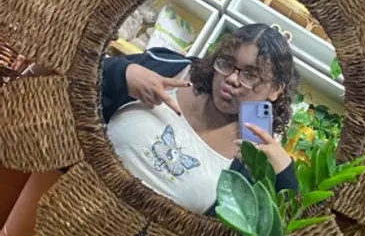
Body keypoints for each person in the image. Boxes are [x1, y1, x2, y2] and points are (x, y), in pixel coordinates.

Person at [102, 23, 300, 216]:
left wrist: (285, 172)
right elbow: (88, 74)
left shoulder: (254, 156)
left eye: (250, 75)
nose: (232, 79)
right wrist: (122, 73)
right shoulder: (170, 69)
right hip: (86, 188)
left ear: (275, 90)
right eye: (227, 63)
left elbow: (288, 221)